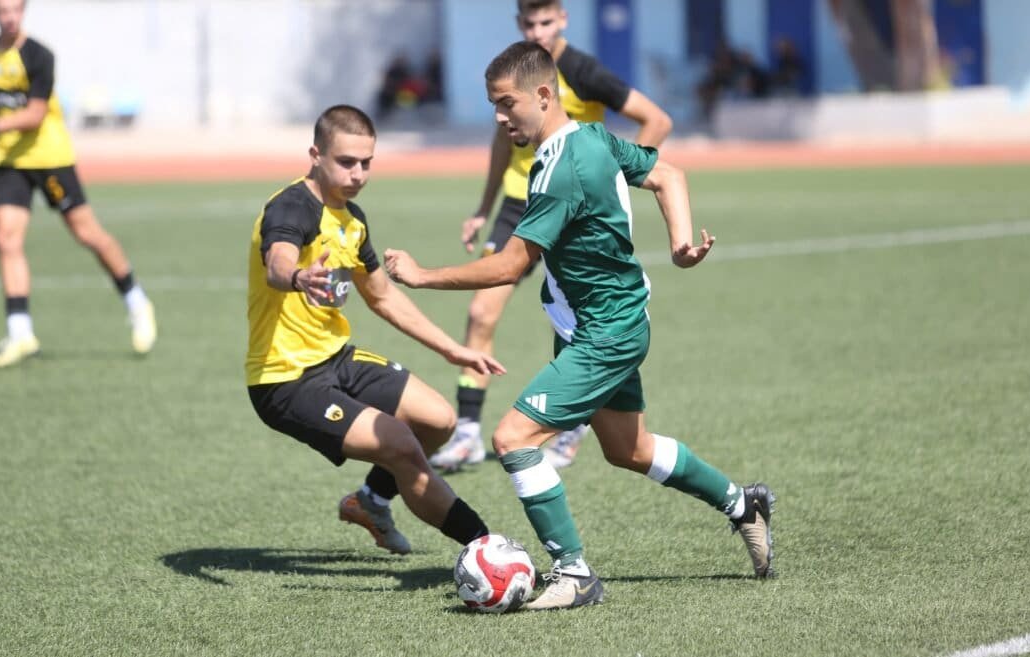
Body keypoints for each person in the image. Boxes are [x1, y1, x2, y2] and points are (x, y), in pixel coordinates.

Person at [385, 42, 775, 610]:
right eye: (494, 105)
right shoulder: (592, 138)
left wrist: (422, 276)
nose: (499, 117)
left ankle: (574, 574)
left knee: (512, 439)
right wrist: (680, 245)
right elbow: (668, 174)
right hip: (600, 323)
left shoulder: (560, 171)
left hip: (604, 332)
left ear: (544, 95)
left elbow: (510, 265)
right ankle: (744, 504)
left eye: (506, 103)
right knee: (630, 449)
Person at [246, 104, 502, 556]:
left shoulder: (352, 219)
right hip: (285, 379)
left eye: (367, 162)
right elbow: (278, 262)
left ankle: (371, 501)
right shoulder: (291, 207)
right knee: (400, 446)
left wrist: (452, 350)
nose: (359, 174)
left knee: (439, 420)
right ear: (315, 155)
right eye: (346, 162)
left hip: (336, 359)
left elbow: (382, 297)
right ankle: (487, 548)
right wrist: (299, 276)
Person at [430, 0, 673, 473]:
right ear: (518, 23)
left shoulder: (583, 71)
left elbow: (657, 120)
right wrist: (483, 208)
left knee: (575, 318)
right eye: (529, 22)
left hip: (572, 203)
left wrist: (610, 176)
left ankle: (576, 421)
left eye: (545, 22)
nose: (537, 31)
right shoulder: (515, 74)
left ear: (562, 19)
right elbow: (502, 144)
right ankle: (466, 433)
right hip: (519, 202)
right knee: (481, 312)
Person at [0, 0, 156, 367]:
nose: (9, 17)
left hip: (49, 159)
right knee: (6, 238)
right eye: (2, 11)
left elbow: (35, 115)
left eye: (15, 10)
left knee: (87, 234)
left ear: (24, 11)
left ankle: (136, 301)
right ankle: (20, 332)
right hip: (8, 162)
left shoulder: (39, 55)